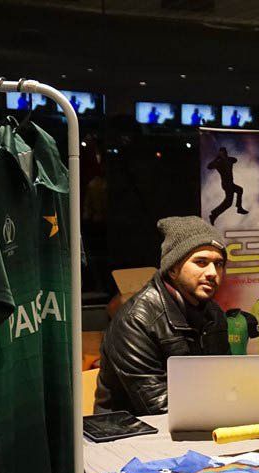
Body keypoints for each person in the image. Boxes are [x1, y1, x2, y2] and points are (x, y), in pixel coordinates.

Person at [94, 216, 231, 416]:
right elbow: (157, 406)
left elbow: (226, 382)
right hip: (130, 435)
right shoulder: (135, 320)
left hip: (198, 423)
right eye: (201, 262)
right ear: (173, 269)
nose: (212, 272)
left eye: (218, 264)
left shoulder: (214, 314)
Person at [207, 147, 249, 224]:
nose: (224, 154)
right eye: (222, 153)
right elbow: (209, 166)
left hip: (231, 183)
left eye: (224, 152)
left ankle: (239, 208)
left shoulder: (229, 160)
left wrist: (225, 158)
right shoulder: (218, 163)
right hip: (226, 185)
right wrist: (217, 158)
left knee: (239, 190)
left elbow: (235, 160)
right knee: (228, 203)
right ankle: (214, 214)